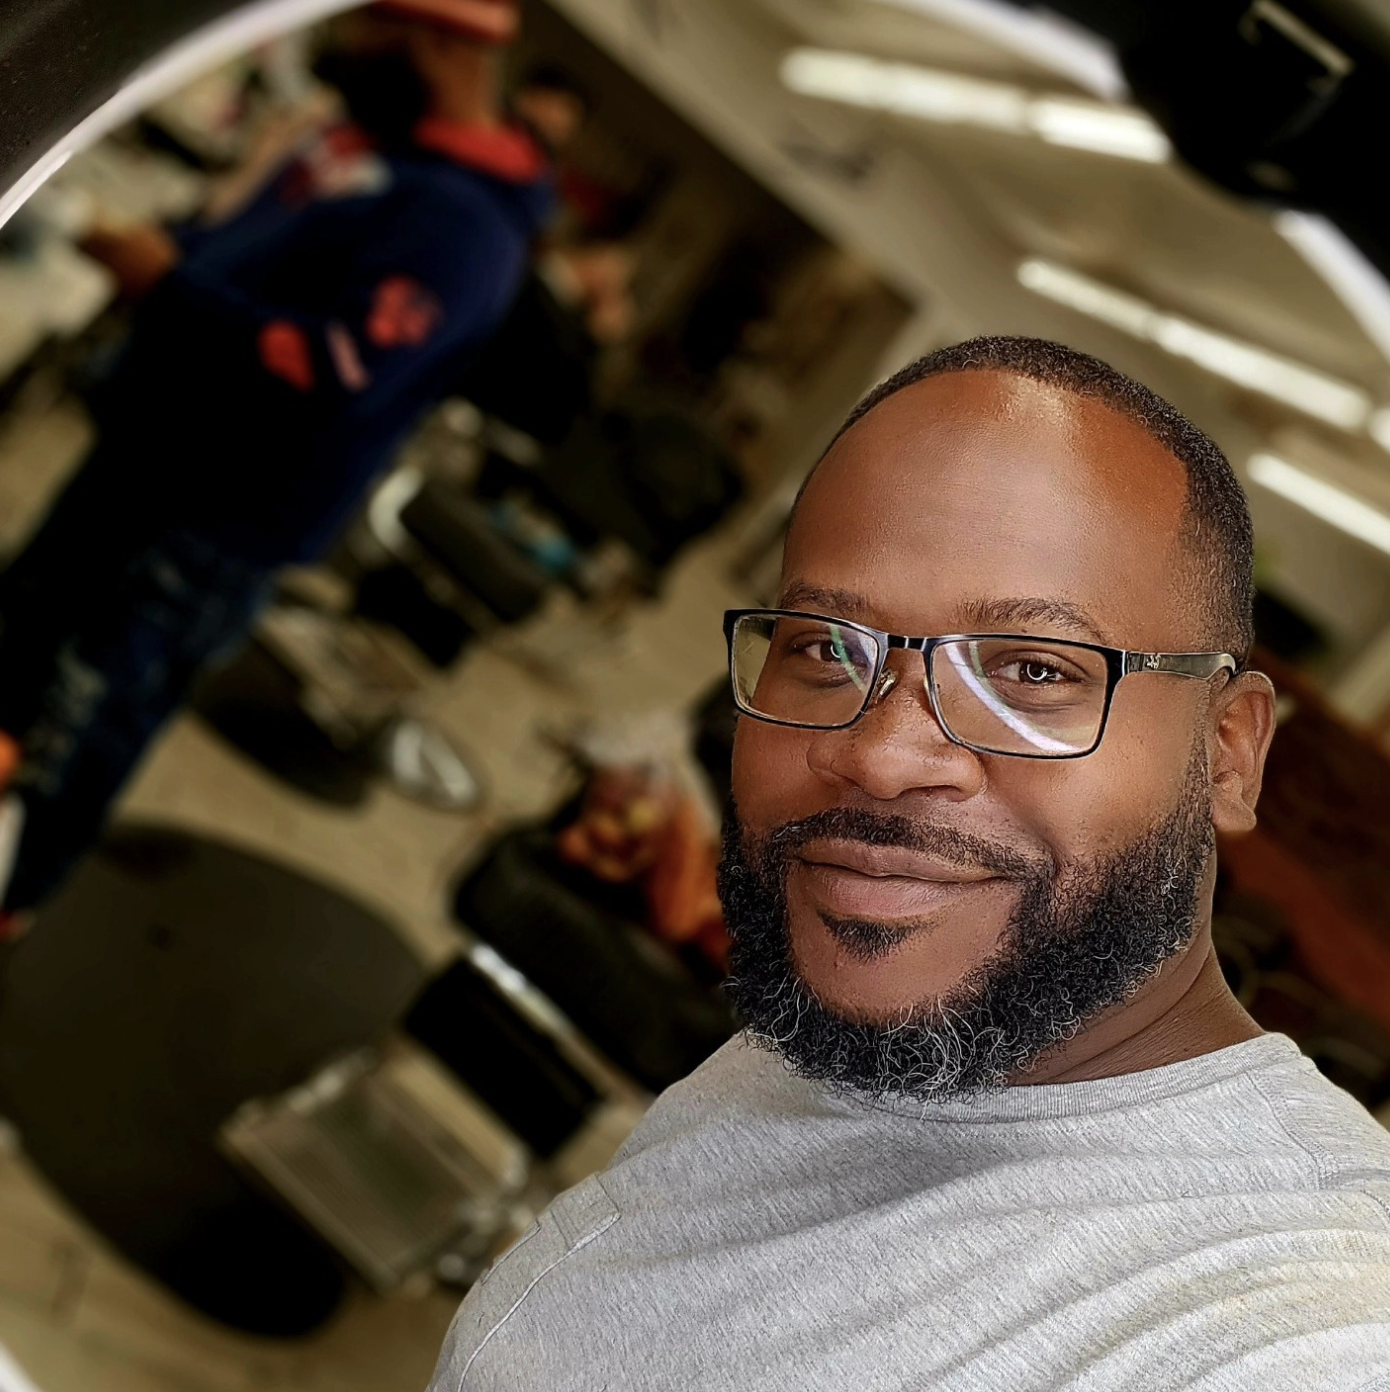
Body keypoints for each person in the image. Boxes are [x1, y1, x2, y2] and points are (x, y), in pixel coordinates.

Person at [427, 336, 1390, 1390]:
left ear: (1226, 753)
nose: (879, 755)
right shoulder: (866, 1032)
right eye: (828, 648)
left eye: (1029, 670)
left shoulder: (1300, 1327)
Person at [0, 0, 552, 927]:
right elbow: (241, 241)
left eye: (367, 27)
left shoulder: (466, 228)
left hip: (214, 520)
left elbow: (336, 370)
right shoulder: (359, 142)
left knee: (75, 732)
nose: (340, 42)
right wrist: (172, 249)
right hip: (140, 460)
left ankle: (12, 903)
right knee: (15, 659)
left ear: (441, 44)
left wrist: (166, 286)